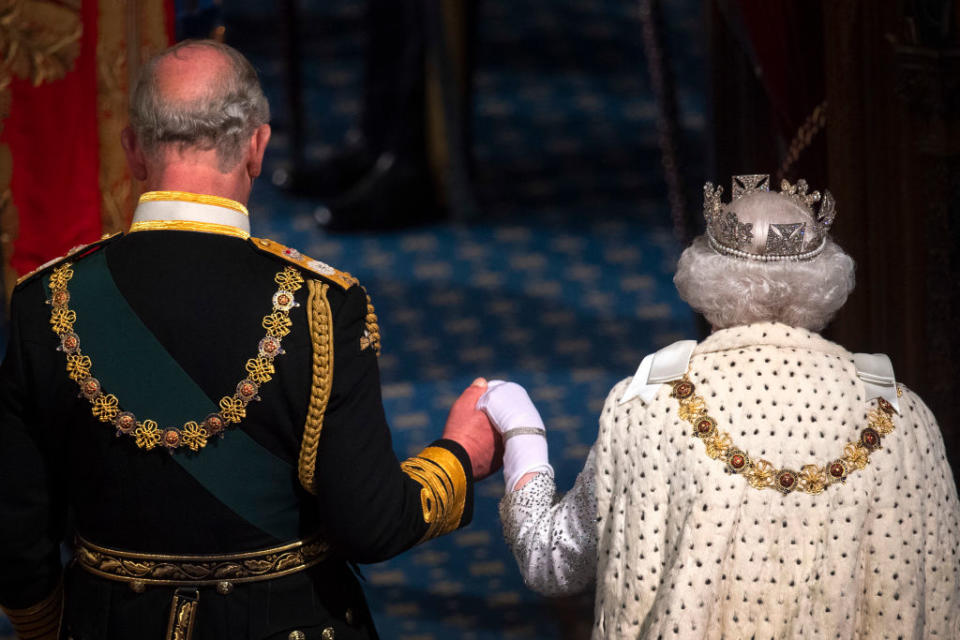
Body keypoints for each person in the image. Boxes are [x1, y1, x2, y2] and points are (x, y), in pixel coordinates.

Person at [0, 40, 499, 640]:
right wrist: (460, 455)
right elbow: (370, 526)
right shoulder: (322, 307)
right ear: (258, 147)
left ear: (133, 150)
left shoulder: (44, 301)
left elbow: (18, 547)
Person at [479, 174, 960, 638]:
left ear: (703, 275)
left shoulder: (649, 407)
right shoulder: (904, 417)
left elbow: (550, 560)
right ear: (827, 277)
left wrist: (521, 428)